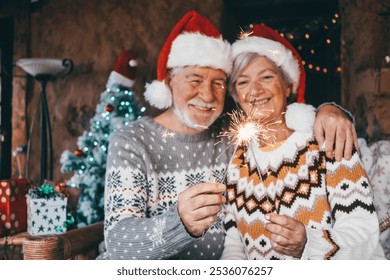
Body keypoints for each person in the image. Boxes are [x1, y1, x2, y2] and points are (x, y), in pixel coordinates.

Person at [98, 11, 358, 260]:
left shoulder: (233, 136)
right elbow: (119, 243)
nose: (208, 96)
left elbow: (276, 116)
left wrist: (328, 110)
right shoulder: (132, 141)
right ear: (168, 80)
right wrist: (179, 223)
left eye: (219, 83)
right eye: (195, 79)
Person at [221, 23, 385, 259]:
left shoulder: (326, 139)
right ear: (237, 95)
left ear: (289, 85)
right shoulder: (238, 161)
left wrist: (309, 244)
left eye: (266, 77)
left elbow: (362, 232)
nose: (254, 91)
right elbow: (235, 244)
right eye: (243, 82)